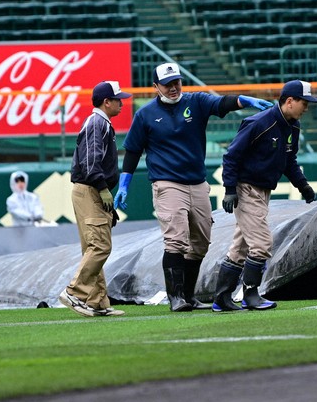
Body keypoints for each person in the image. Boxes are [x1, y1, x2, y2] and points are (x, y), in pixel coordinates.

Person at [113, 62, 273, 313]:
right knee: (176, 239)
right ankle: (176, 297)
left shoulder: (196, 101)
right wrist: (124, 184)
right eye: (167, 84)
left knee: (200, 242)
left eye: (176, 82)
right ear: (156, 87)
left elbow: (221, 104)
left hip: (197, 182)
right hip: (167, 183)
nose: (173, 87)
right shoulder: (145, 114)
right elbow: (133, 151)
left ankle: (189, 295)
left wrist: (245, 100)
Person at [215, 79, 317, 312]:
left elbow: (289, 161)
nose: (306, 108)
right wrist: (230, 189)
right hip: (246, 188)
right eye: (304, 103)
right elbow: (231, 156)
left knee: (240, 247)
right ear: (289, 101)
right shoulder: (259, 123)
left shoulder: (293, 126)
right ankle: (251, 295)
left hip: (263, 191)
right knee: (262, 243)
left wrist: (303, 186)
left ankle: (221, 298)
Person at [59, 80, 132, 318]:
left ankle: (97, 301)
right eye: (118, 99)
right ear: (106, 102)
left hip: (91, 190)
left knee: (95, 246)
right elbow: (90, 161)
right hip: (90, 189)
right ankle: (74, 292)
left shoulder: (101, 122)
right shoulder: (96, 122)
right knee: (100, 245)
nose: (122, 103)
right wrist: (102, 188)